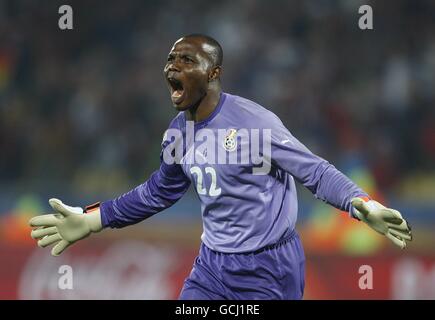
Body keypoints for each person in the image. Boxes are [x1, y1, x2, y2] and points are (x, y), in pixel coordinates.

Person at [29, 34, 412, 300]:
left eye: (186, 60)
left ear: (213, 73)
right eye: (170, 59)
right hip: (212, 267)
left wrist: (360, 203)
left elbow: (314, 171)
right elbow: (157, 192)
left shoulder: (255, 124)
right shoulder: (179, 132)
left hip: (269, 269)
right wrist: (93, 219)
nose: (172, 67)